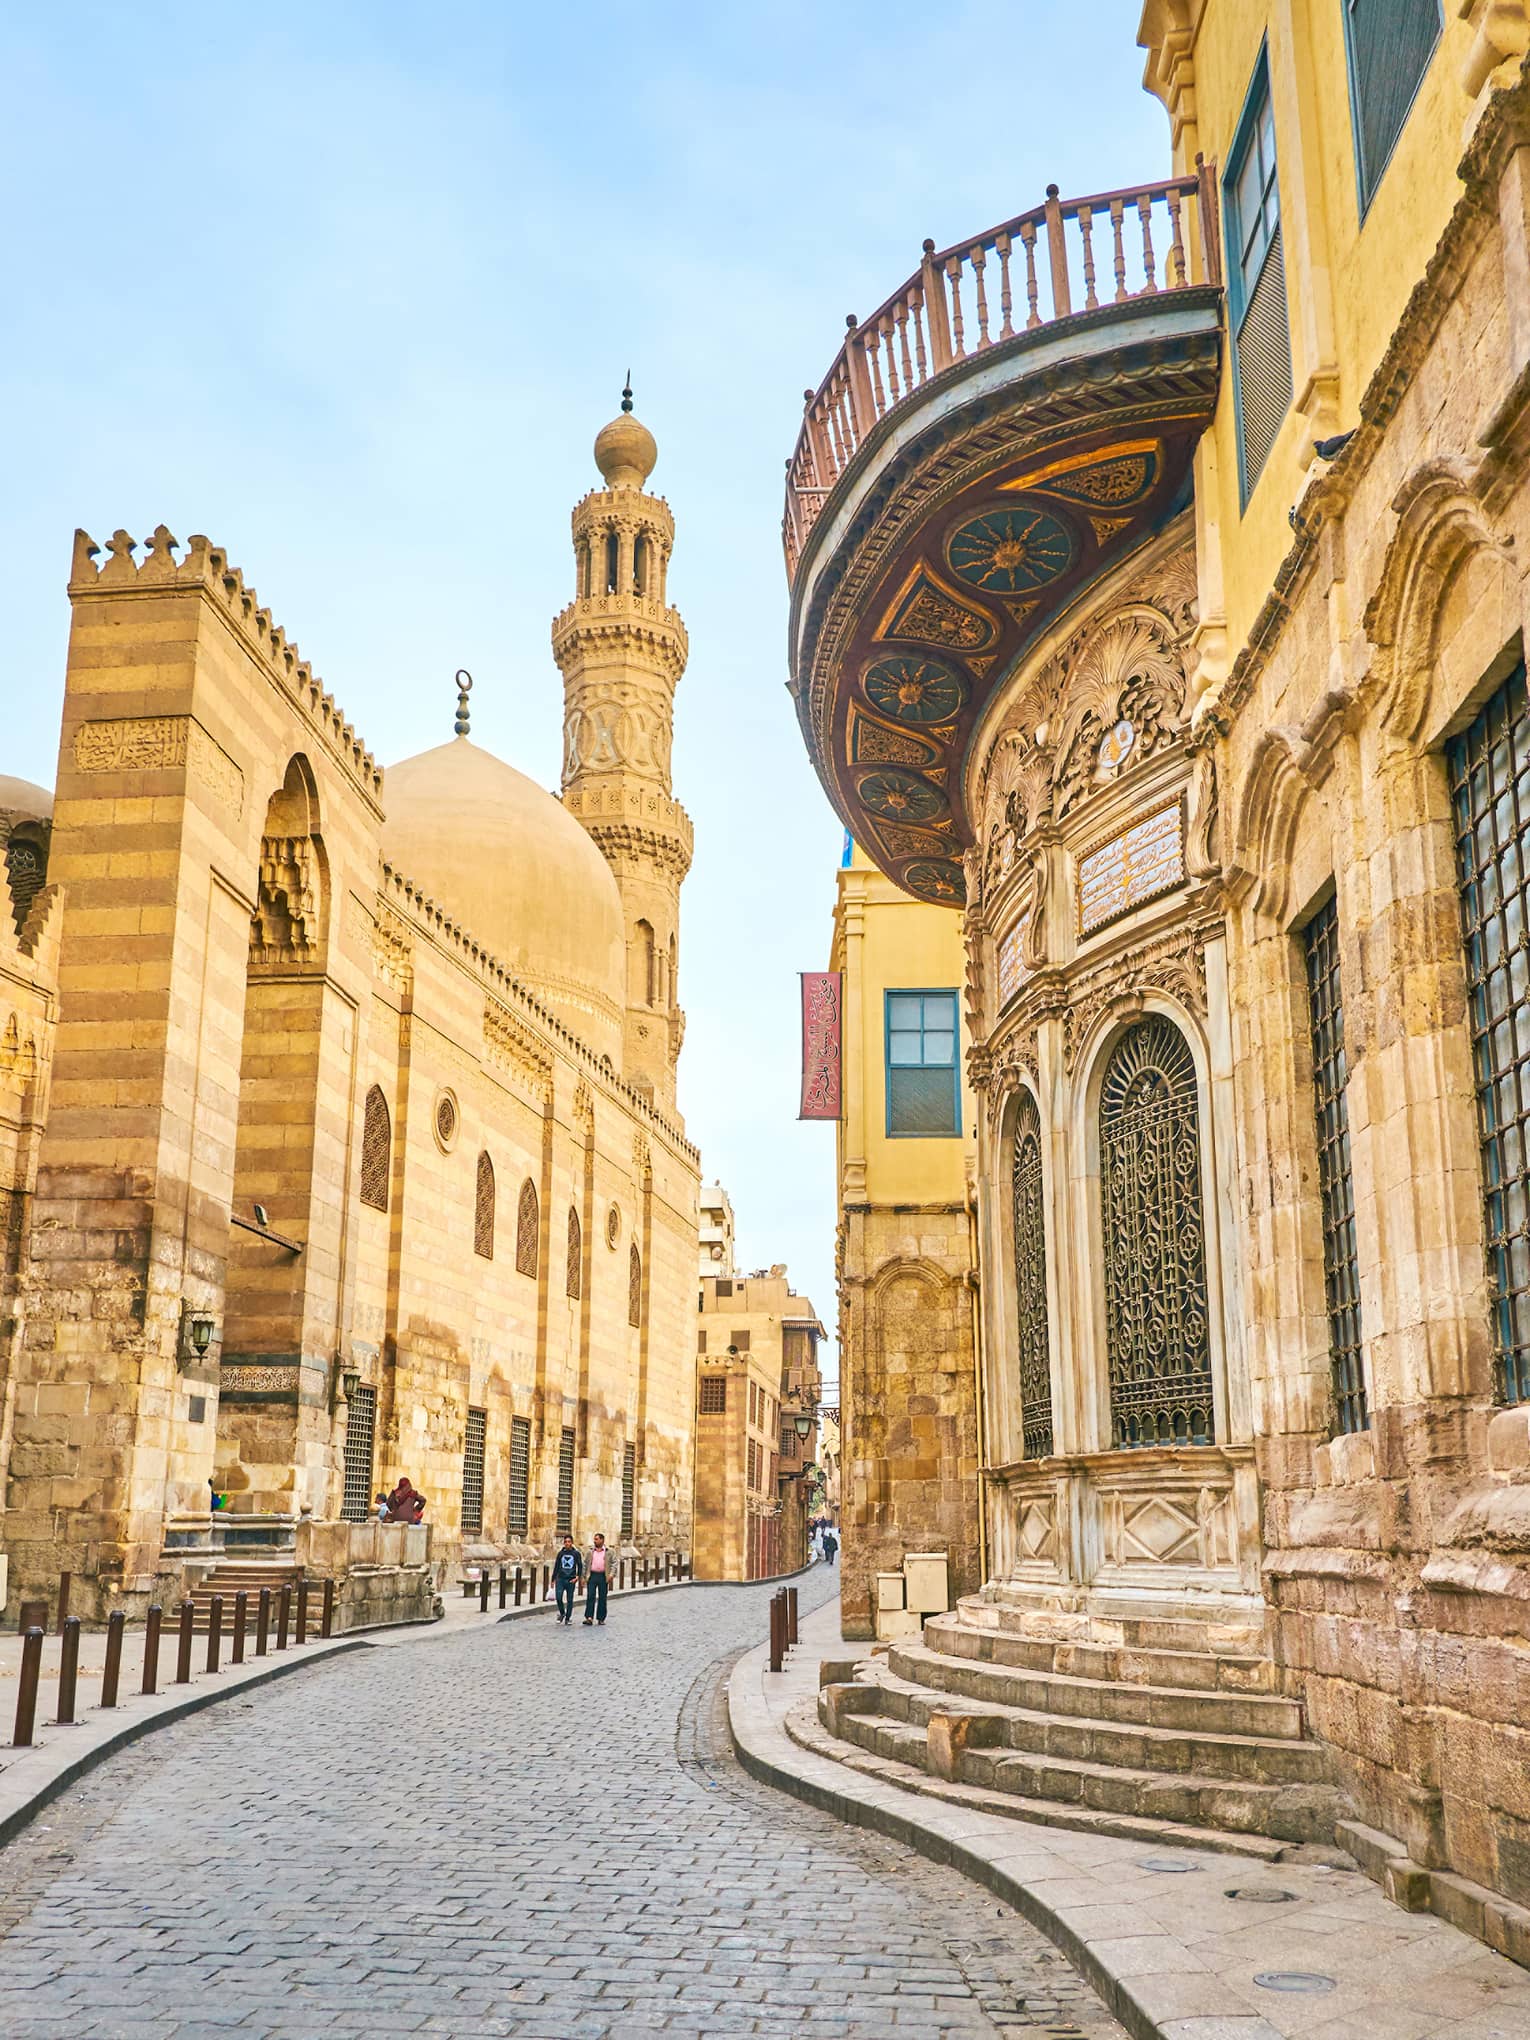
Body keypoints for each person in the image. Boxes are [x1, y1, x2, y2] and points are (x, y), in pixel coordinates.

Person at [552, 1533, 583, 1623]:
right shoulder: (560, 1554)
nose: (567, 1543)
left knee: (570, 1599)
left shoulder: (576, 1553)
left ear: (572, 1542)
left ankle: (568, 1617)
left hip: (571, 1579)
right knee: (558, 1597)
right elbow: (556, 1566)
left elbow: (580, 1566)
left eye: (569, 1542)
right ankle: (562, 1613)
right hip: (560, 1579)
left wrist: (577, 1577)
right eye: (565, 1542)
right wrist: (553, 1579)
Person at [582, 1532, 611, 1625]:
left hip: (603, 1576)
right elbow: (585, 1563)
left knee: (602, 1597)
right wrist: (584, 1576)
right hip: (592, 1575)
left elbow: (614, 1563)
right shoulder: (590, 1551)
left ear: (602, 1540)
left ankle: (601, 1618)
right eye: (594, 1539)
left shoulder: (609, 1551)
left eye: (597, 1539)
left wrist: (611, 1575)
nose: (595, 1541)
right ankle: (589, 1617)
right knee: (590, 1596)